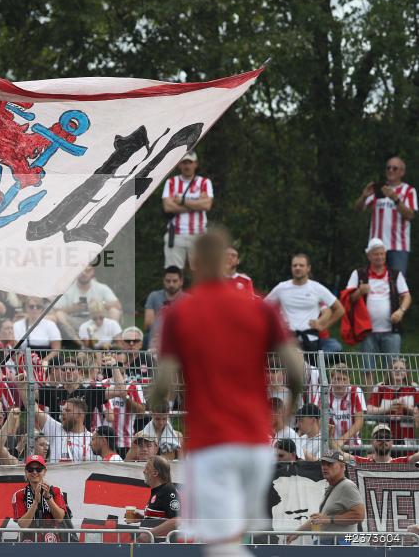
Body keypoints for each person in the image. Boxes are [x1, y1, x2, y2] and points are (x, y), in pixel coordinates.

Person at [150, 229, 304, 555]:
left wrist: (158, 399)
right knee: (233, 542)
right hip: (256, 446)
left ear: (193, 262)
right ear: (226, 261)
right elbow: (295, 369)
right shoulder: (259, 308)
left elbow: (162, 384)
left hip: (211, 446)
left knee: (220, 547)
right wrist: (287, 412)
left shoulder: (179, 314)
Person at [345, 238, 410, 367]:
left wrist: (401, 311)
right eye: (376, 254)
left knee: (393, 370)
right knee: (368, 370)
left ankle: (389, 383)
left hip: (391, 330)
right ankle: (370, 382)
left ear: (385, 255)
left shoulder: (395, 274)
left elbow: (406, 296)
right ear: (369, 256)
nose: (379, 257)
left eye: (382, 254)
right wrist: (359, 292)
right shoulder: (358, 274)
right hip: (366, 330)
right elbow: (348, 299)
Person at [264, 253, 344, 354]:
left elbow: (340, 309)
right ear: (291, 268)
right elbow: (262, 308)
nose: (297, 268)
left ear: (308, 268)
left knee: (334, 347)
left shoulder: (317, 288)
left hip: (311, 341)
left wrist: (324, 326)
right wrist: (276, 325)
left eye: (301, 265)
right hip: (288, 341)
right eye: (295, 265)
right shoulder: (281, 288)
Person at [287, 451, 366, 545]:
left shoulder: (347, 486)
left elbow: (359, 515)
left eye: (330, 464)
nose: (325, 467)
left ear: (342, 466)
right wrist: (297, 533)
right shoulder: (333, 487)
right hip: (329, 543)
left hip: (339, 543)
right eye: (323, 464)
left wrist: (328, 519)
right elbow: (320, 519)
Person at [353, 155, 416, 273]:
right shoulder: (379, 189)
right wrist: (364, 196)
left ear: (402, 172)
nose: (391, 170)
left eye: (394, 168)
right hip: (376, 245)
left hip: (398, 247)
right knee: (374, 280)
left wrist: (395, 199)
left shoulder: (408, 191)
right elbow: (358, 209)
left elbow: (410, 215)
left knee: (396, 281)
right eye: (388, 168)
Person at [162, 151, 213, 269]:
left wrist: (182, 201)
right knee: (173, 271)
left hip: (198, 234)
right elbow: (168, 207)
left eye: (190, 162)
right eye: (184, 163)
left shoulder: (204, 182)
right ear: (179, 165)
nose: (187, 166)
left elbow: (207, 205)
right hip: (175, 234)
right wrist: (196, 204)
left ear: (195, 164)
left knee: (200, 271)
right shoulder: (171, 182)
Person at [11, 455, 69, 542]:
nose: (34, 472)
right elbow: (23, 525)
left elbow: (60, 518)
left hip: (51, 540)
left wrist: (48, 497)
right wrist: (35, 502)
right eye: (30, 469)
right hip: (28, 541)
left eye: (38, 469)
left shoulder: (56, 491)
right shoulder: (19, 495)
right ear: (25, 472)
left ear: (45, 471)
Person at [54, 265, 123, 336]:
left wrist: (99, 303)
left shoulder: (101, 288)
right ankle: (73, 337)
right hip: (75, 320)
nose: (84, 273)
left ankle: (110, 337)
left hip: (97, 319)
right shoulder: (67, 289)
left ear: (92, 272)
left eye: (87, 270)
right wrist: (72, 309)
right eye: (80, 271)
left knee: (114, 311)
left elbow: (118, 305)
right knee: (59, 314)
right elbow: (56, 309)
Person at [128, 455, 180, 542]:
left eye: (147, 468)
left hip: (161, 547)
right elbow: (161, 518)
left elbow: (177, 520)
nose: (144, 471)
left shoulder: (168, 489)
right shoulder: (157, 491)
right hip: (152, 546)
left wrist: (149, 534)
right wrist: (142, 518)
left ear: (155, 473)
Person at [367, 358, 419, 443]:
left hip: (407, 435)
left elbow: (417, 411)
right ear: (390, 371)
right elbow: (369, 409)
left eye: (401, 369)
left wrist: (405, 407)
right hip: (384, 436)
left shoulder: (413, 387)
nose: (398, 371)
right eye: (395, 368)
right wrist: (388, 409)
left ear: (406, 372)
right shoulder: (381, 387)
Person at [33, 397, 95, 463]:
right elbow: (35, 410)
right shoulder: (55, 429)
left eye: (68, 410)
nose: (63, 413)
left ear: (80, 415)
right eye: (63, 410)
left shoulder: (92, 438)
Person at [144, 266, 187, 350]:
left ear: (181, 282)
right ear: (163, 281)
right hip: (156, 340)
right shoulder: (154, 296)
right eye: (168, 281)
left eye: (175, 281)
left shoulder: (189, 300)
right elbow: (148, 324)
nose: (171, 284)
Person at [327, 363, 365, 448]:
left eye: (344, 379)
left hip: (353, 445)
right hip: (328, 444)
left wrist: (341, 440)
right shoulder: (324, 391)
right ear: (331, 379)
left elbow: (359, 421)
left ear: (349, 380)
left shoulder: (356, 391)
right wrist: (332, 443)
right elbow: (318, 419)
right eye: (337, 379)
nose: (340, 383)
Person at [339, 424, 419, 464]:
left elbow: (416, 458)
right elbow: (340, 455)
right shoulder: (363, 463)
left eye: (387, 437)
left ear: (392, 442)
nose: (383, 440)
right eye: (379, 437)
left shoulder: (400, 463)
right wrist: (331, 439)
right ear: (372, 442)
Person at [13, 298, 61, 363]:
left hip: (47, 362)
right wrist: (22, 363)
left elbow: (56, 349)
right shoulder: (17, 325)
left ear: (42, 309)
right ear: (26, 308)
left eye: (38, 307)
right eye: (31, 306)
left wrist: (42, 362)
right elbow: (16, 349)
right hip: (25, 362)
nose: (35, 309)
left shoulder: (50, 325)